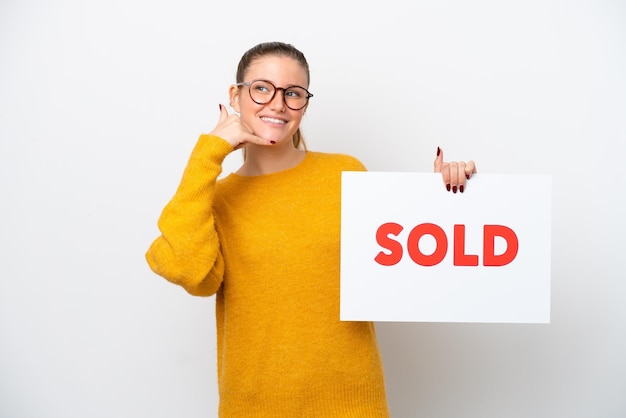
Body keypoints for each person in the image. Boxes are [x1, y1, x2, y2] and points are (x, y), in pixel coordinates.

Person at [146, 41, 476, 417]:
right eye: (261, 88)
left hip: (352, 402)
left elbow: (407, 261)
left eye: (293, 93)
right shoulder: (216, 200)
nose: (277, 103)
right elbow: (190, 273)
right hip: (254, 405)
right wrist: (208, 153)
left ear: (304, 103)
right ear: (235, 96)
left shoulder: (344, 173)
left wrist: (451, 199)